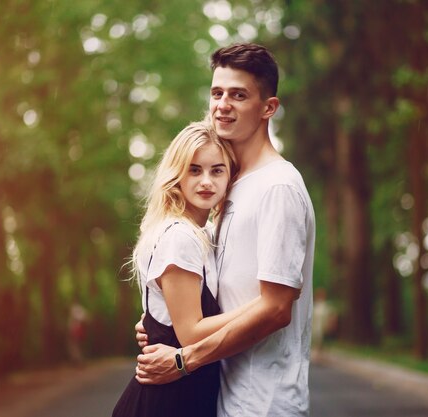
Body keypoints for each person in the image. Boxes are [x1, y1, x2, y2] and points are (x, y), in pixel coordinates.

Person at [135, 43, 316, 416]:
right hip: (225, 396)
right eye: (217, 93)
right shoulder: (230, 184)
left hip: (265, 402)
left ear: (268, 108)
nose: (222, 105)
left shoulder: (277, 186)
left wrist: (185, 358)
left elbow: (277, 308)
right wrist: (161, 323)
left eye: (238, 95)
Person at [112, 121, 262, 417]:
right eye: (195, 170)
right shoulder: (180, 236)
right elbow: (191, 333)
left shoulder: (202, 232)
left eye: (216, 170)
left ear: (230, 175)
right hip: (167, 402)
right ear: (177, 174)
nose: (206, 181)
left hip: (184, 396)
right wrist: (263, 306)